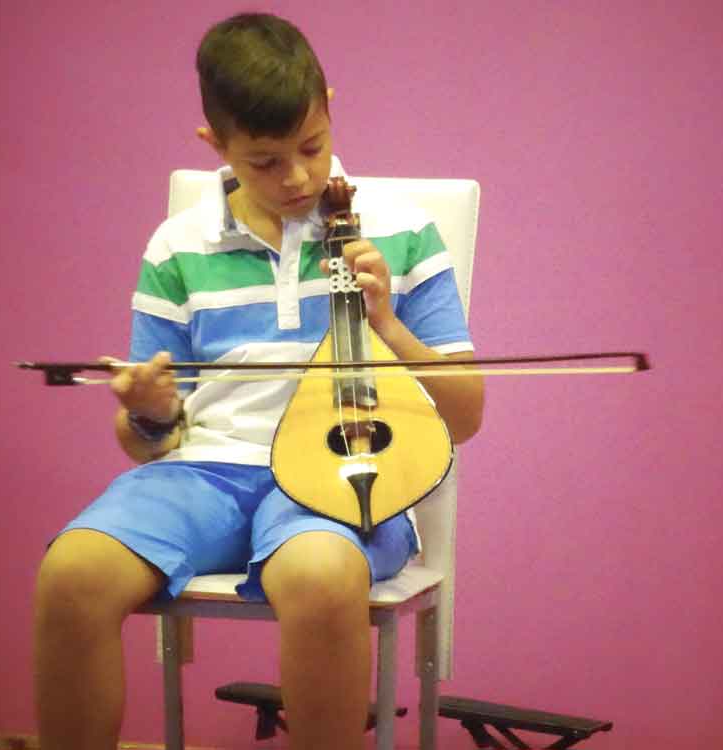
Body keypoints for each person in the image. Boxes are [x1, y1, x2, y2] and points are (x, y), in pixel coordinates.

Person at [34, 12, 483, 750]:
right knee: (71, 574)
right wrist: (149, 411)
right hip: (205, 472)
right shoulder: (177, 246)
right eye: (265, 161)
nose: (297, 177)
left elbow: (464, 416)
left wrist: (388, 325)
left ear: (329, 107)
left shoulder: (401, 231)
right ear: (215, 144)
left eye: (311, 146)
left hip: (344, 474)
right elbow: (148, 443)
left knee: (319, 575)